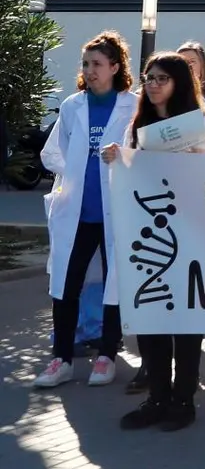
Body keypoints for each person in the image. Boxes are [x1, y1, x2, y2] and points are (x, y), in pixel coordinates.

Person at [107, 52, 205, 431]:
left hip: (192, 235)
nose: (154, 85)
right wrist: (115, 158)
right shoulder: (138, 127)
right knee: (151, 314)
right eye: (149, 78)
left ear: (180, 82)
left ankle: (183, 399)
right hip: (150, 236)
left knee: (185, 319)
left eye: (162, 78)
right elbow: (127, 177)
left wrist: (203, 158)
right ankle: (156, 397)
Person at [36, 31, 136, 390]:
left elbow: (144, 154)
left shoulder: (132, 104)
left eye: (97, 64)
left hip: (115, 213)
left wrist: (123, 158)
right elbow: (51, 153)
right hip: (77, 213)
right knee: (65, 283)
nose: (90, 70)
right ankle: (61, 358)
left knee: (114, 284)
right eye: (86, 64)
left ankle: (107, 354)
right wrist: (73, 170)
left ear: (115, 66)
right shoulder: (72, 106)